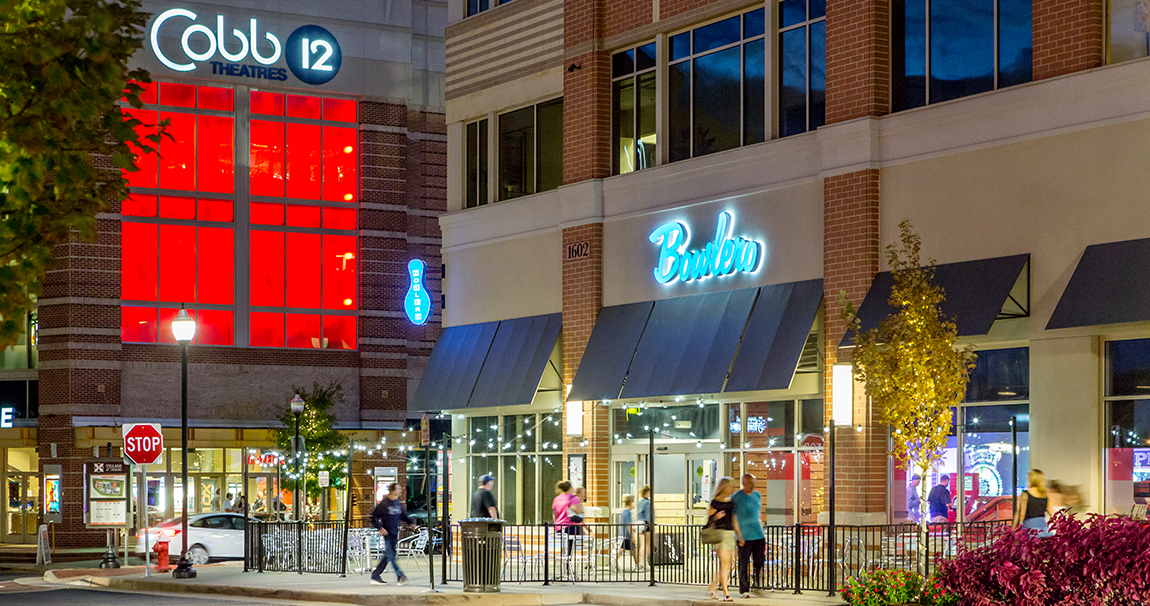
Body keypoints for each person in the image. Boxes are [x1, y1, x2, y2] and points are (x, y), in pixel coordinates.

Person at [705, 477, 743, 602]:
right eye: (729, 487)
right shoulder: (715, 502)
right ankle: (725, 593)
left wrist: (739, 535)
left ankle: (712, 586)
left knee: (727, 564)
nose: (730, 489)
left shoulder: (730, 503)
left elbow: (734, 520)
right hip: (719, 534)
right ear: (723, 487)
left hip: (729, 534)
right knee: (725, 563)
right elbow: (709, 519)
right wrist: (715, 516)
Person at [370, 483, 413, 585]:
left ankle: (375, 576)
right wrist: (380, 528)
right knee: (392, 555)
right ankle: (400, 576)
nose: (400, 490)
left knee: (388, 556)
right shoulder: (384, 504)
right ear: (393, 490)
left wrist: (411, 523)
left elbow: (403, 515)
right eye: (398, 488)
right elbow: (373, 517)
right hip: (387, 533)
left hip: (394, 532)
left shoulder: (397, 503)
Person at [731, 473, 764, 598]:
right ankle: (744, 589)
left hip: (758, 534)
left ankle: (757, 584)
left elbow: (757, 513)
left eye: (754, 483)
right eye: (750, 483)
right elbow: (733, 516)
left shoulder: (757, 495)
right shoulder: (737, 497)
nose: (753, 485)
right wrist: (738, 535)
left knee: (759, 560)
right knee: (743, 562)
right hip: (744, 535)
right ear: (744, 483)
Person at [1013, 469, 1054, 536]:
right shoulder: (1045, 494)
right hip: (1042, 525)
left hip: (1029, 525)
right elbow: (1052, 513)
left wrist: (1014, 529)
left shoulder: (1025, 494)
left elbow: (1020, 513)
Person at [552, 480, 582, 560]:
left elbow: (554, 514)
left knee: (564, 544)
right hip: (570, 525)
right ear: (570, 488)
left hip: (559, 526)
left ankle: (564, 560)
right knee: (571, 545)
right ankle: (568, 562)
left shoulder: (556, 499)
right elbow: (575, 509)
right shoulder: (573, 498)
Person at [618, 494, 638, 569]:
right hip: (627, 535)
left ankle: (613, 562)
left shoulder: (624, 512)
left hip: (623, 534)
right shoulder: (628, 512)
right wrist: (632, 536)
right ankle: (637, 565)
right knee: (633, 549)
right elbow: (629, 525)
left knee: (623, 549)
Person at [636, 485, 652, 571]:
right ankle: (644, 563)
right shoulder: (647, 503)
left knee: (642, 544)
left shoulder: (640, 502)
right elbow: (648, 515)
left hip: (639, 523)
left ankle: (640, 563)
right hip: (645, 524)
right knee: (646, 545)